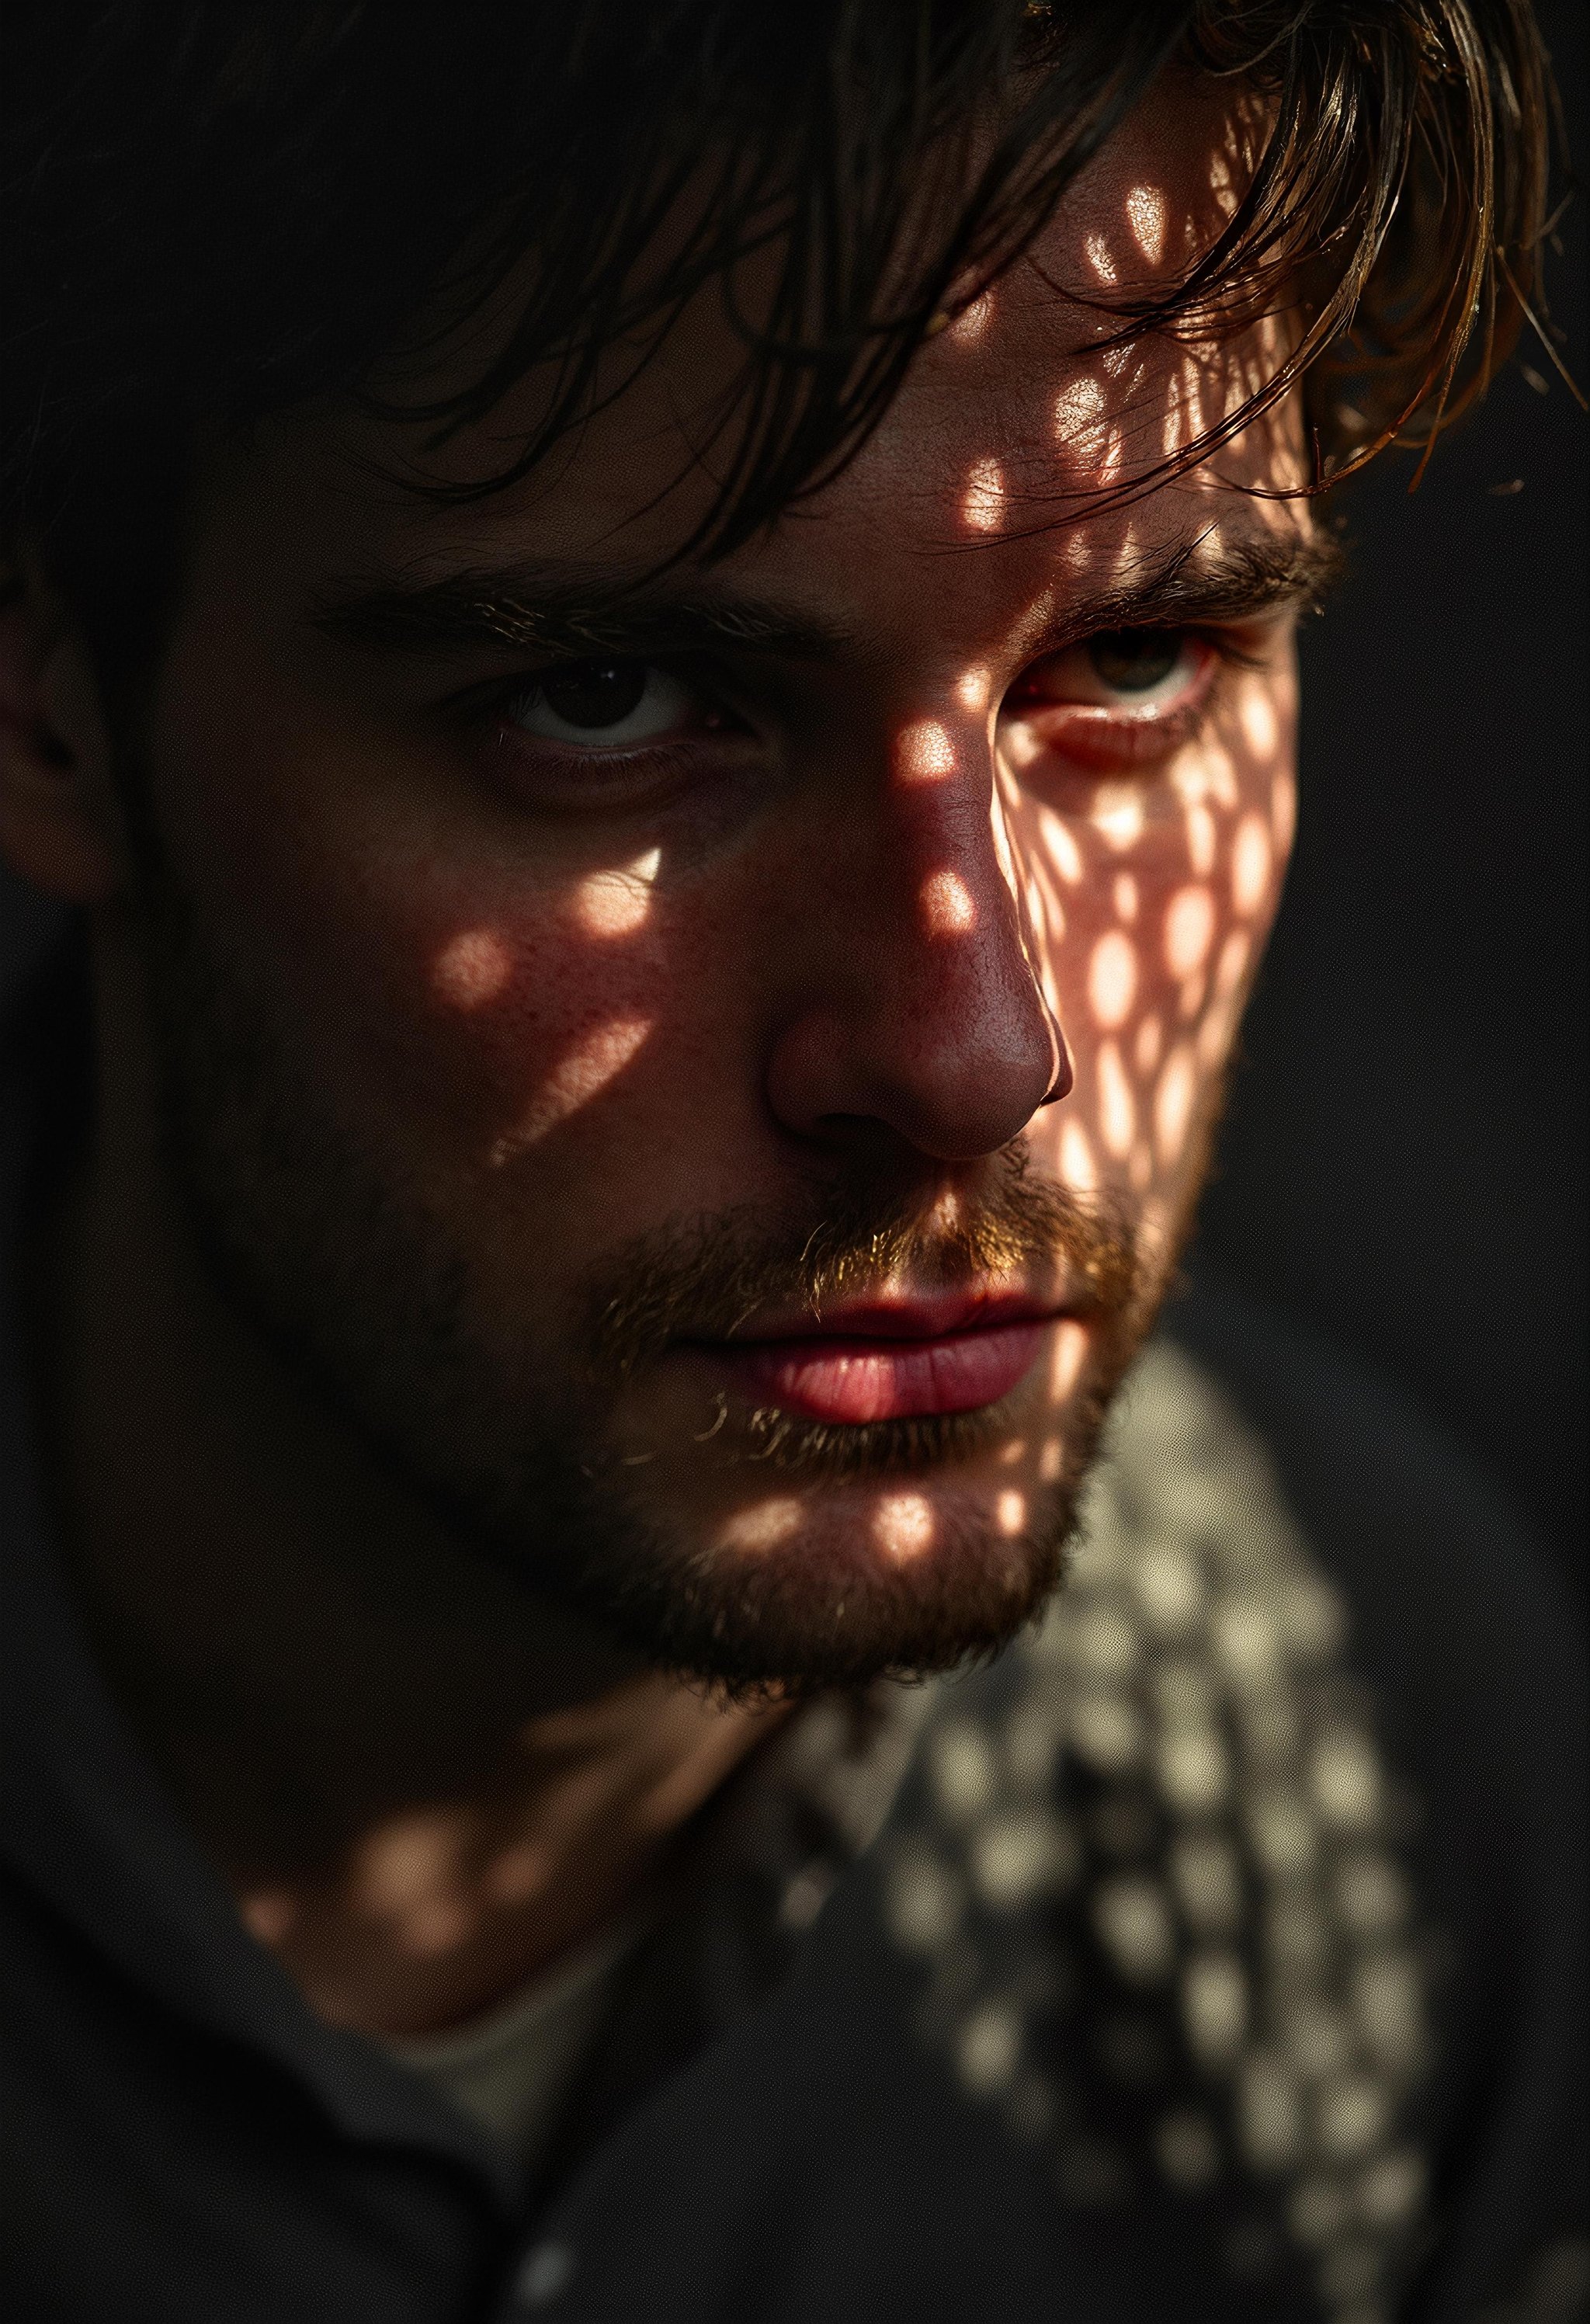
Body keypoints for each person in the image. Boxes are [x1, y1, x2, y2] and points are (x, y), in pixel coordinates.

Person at [0, 5, 1582, 2319]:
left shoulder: (1378, 1772)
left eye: (1139, 656)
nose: (973, 1049)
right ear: (49, 689)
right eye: (609, 700)